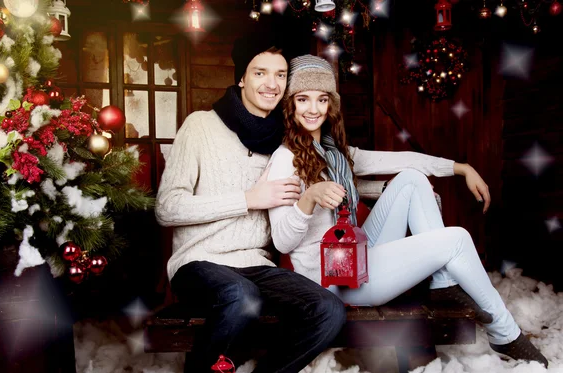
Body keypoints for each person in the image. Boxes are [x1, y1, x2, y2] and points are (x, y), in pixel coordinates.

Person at [267, 54, 548, 367]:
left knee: (412, 180)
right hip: (330, 282)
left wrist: (460, 168)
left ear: (331, 104)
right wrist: (309, 199)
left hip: (353, 256)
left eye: (322, 99)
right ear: (290, 104)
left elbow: (404, 160)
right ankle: (505, 332)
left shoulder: (337, 153)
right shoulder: (283, 160)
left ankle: (442, 284)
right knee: (455, 240)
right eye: (303, 99)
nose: (313, 109)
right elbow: (282, 242)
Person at [155, 38, 346, 373]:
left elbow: (341, 168)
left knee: (328, 309)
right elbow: (167, 207)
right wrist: (248, 199)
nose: (271, 84)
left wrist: (391, 185)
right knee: (242, 296)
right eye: (260, 73)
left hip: (256, 265)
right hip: (199, 262)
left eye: (280, 75)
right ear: (242, 77)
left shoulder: (287, 141)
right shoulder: (200, 126)